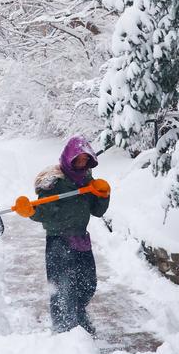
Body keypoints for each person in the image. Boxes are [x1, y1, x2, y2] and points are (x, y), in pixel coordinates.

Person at [14, 136, 110, 335]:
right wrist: (31, 211)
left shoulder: (88, 181)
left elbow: (97, 211)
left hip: (81, 239)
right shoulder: (54, 184)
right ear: (69, 158)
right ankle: (64, 330)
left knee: (87, 284)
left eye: (85, 159)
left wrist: (103, 195)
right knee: (62, 288)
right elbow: (45, 211)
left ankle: (79, 314)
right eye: (78, 159)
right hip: (58, 240)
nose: (82, 163)